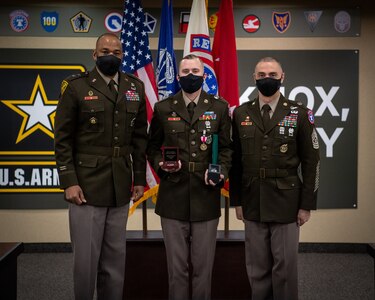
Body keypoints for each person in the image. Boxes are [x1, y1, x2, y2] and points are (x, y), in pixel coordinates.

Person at [54, 33, 148, 300]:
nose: (111, 55)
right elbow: (62, 140)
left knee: (115, 262)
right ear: (94, 54)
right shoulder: (76, 87)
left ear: (123, 56)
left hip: (120, 184)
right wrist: (69, 181)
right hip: (85, 186)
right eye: (105, 50)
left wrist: (139, 178)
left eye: (116, 52)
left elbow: (140, 138)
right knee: (85, 263)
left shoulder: (135, 87)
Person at [230, 57, 320, 300]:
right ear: (254, 78)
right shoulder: (240, 113)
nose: (266, 79)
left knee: (285, 269)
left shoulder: (300, 113)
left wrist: (306, 205)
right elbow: (236, 162)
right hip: (252, 199)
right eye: (261, 75)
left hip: (287, 201)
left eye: (272, 74)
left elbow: (312, 163)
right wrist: (236, 201)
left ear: (282, 77)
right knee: (256, 268)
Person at [147, 54, 232, 300]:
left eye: (196, 71)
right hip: (172, 197)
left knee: (203, 270)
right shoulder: (163, 108)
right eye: (186, 71)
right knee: (177, 270)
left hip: (206, 196)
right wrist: (161, 166)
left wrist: (221, 171)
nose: (191, 75)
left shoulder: (219, 107)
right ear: (178, 76)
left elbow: (227, 148)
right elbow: (152, 148)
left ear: (204, 76)